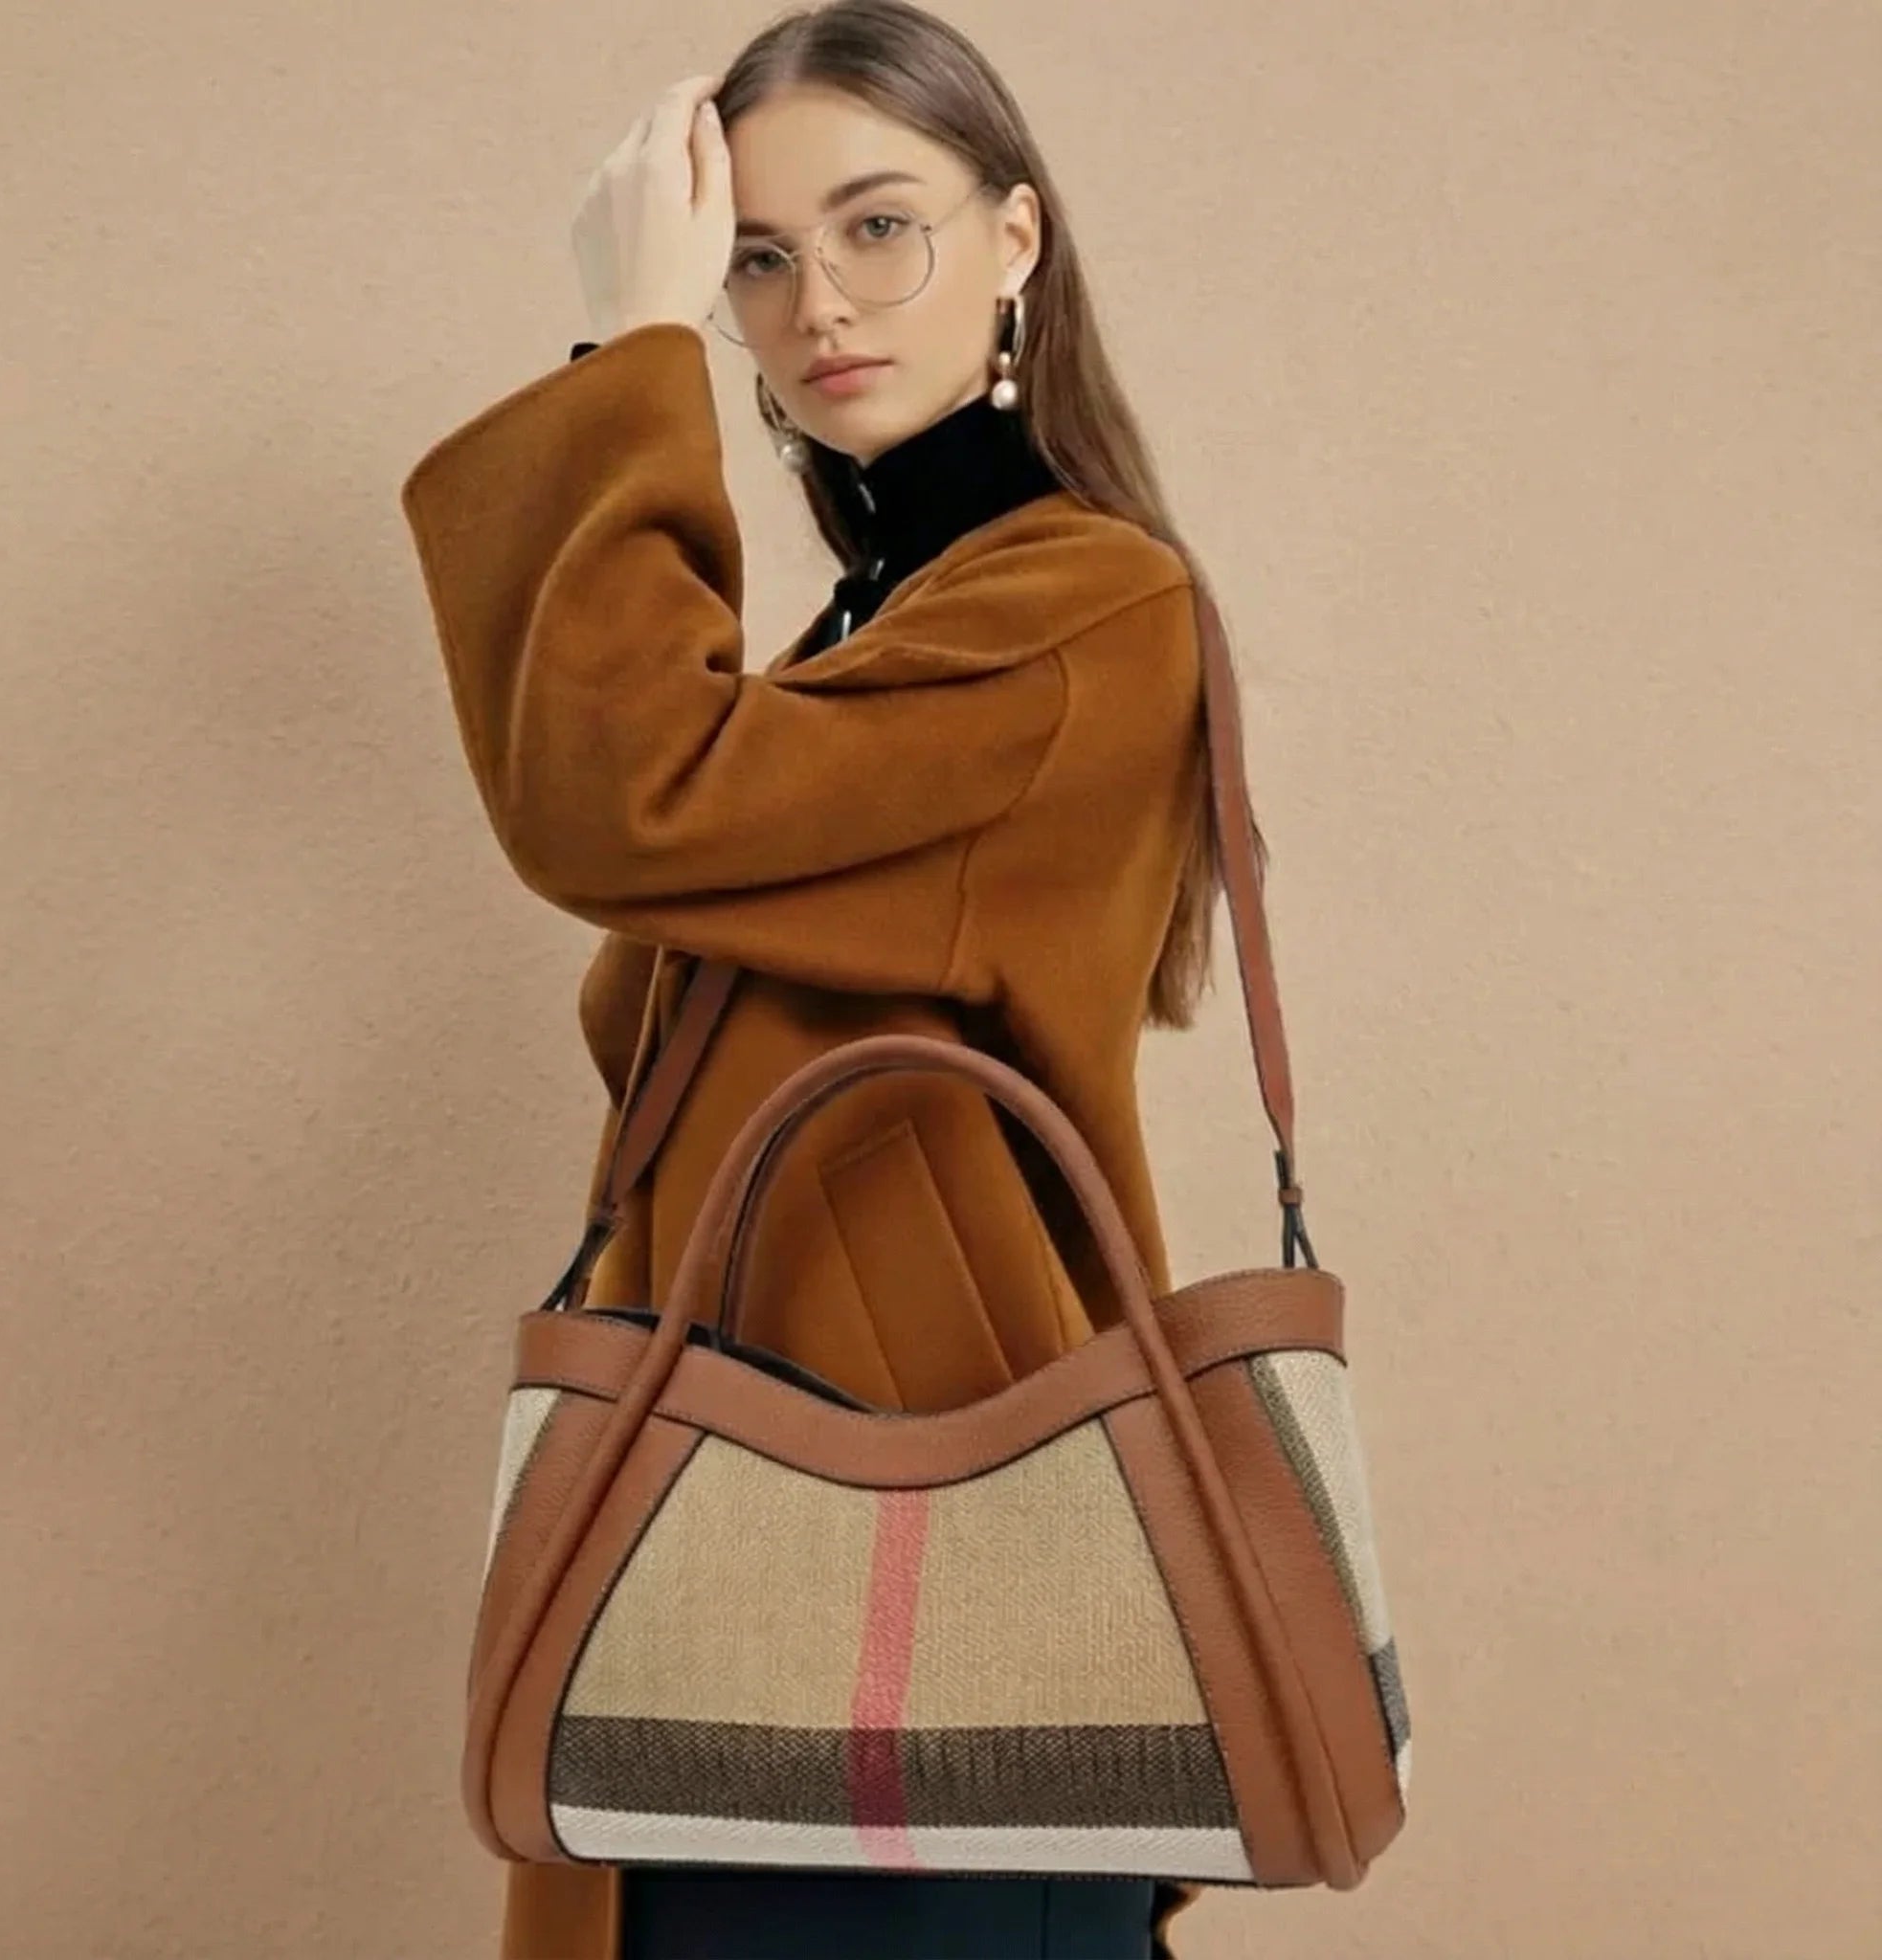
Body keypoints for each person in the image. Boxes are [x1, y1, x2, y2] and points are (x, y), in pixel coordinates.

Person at [399, 4, 1275, 1953]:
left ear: (1015, 240)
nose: (819, 307)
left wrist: (627, 348)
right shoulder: (874, 629)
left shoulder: (1084, 606)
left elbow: (622, 795)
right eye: (754, 261)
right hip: (744, 1558)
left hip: (919, 1582)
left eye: (882, 227)